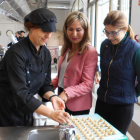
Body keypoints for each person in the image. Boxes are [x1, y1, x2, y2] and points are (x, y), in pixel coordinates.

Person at [0, 8, 70, 127]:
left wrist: (53, 97)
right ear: (31, 27)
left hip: (28, 106)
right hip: (8, 109)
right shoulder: (16, 53)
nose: (48, 35)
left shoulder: (46, 54)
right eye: (44, 30)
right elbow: (21, 93)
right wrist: (51, 113)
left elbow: (45, 84)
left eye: (51, 31)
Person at [95, 10, 140, 135]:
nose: (109, 36)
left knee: (116, 138)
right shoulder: (105, 45)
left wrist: (130, 94)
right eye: (106, 32)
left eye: (114, 33)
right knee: (98, 135)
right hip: (102, 101)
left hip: (122, 106)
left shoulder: (135, 49)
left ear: (125, 29)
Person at [51, 11, 98, 116]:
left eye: (78, 30)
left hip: (78, 105)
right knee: (62, 131)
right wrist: (50, 85)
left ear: (85, 31)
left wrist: (67, 92)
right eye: (70, 29)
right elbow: (62, 75)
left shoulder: (90, 52)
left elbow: (87, 84)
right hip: (61, 101)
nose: (74, 34)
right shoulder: (66, 47)